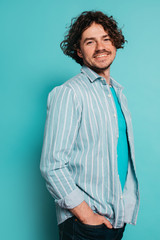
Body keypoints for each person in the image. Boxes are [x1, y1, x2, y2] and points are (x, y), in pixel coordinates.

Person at [40, 11, 140, 240]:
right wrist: (86, 216)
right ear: (78, 51)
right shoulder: (69, 93)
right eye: (90, 41)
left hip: (115, 219)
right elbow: (51, 165)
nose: (100, 47)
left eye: (105, 38)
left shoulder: (117, 93)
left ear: (114, 42)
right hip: (85, 224)